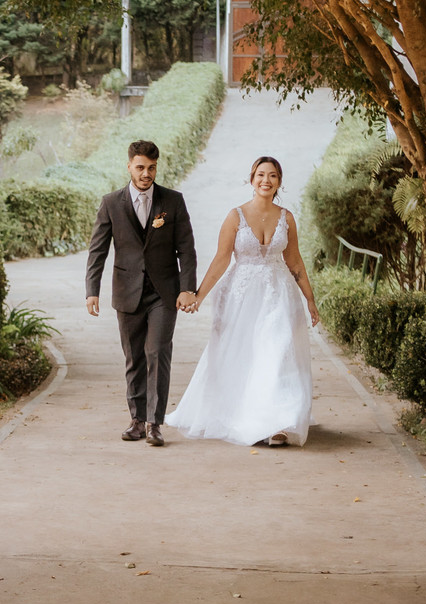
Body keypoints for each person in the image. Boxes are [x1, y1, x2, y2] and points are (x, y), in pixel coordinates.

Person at [167, 155, 319, 448]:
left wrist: (309, 299)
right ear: (251, 179)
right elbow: (221, 259)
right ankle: (248, 415)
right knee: (248, 356)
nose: (266, 180)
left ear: (279, 182)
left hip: (279, 295)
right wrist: (199, 295)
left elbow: (294, 260)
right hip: (241, 297)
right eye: (261, 174)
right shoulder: (235, 216)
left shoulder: (287, 218)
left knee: (277, 352)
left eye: (272, 175)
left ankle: (277, 424)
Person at [85, 138, 197, 446]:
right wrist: (92, 290)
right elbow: (97, 250)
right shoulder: (111, 203)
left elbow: (186, 249)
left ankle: (154, 423)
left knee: (157, 352)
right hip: (127, 291)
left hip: (164, 293)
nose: (146, 174)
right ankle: (136, 419)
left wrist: (187, 288)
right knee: (134, 357)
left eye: (152, 168)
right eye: (140, 168)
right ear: (129, 166)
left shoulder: (173, 201)